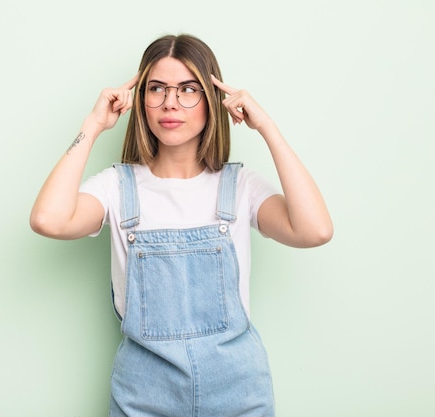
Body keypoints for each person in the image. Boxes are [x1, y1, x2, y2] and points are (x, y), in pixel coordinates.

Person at [30, 33, 332, 416]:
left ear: (212, 99)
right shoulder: (115, 186)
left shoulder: (240, 187)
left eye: (188, 89)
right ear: (141, 102)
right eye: (156, 88)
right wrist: (92, 126)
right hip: (143, 395)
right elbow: (47, 220)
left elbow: (315, 230)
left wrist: (267, 126)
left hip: (238, 393)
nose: (170, 103)